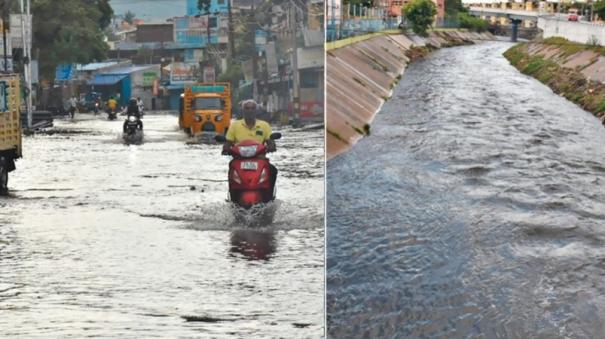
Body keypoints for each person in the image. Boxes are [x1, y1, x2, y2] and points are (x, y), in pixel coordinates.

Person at [223, 99, 277, 187]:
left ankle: (269, 195)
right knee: (231, 169)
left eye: (252, 108)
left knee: (273, 170)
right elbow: (228, 142)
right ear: (243, 111)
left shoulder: (264, 125)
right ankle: (233, 193)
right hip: (239, 159)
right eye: (247, 108)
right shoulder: (235, 125)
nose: (250, 111)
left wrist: (272, 146)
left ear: (256, 111)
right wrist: (226, 149)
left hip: (260, 159)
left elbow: (270, 142)